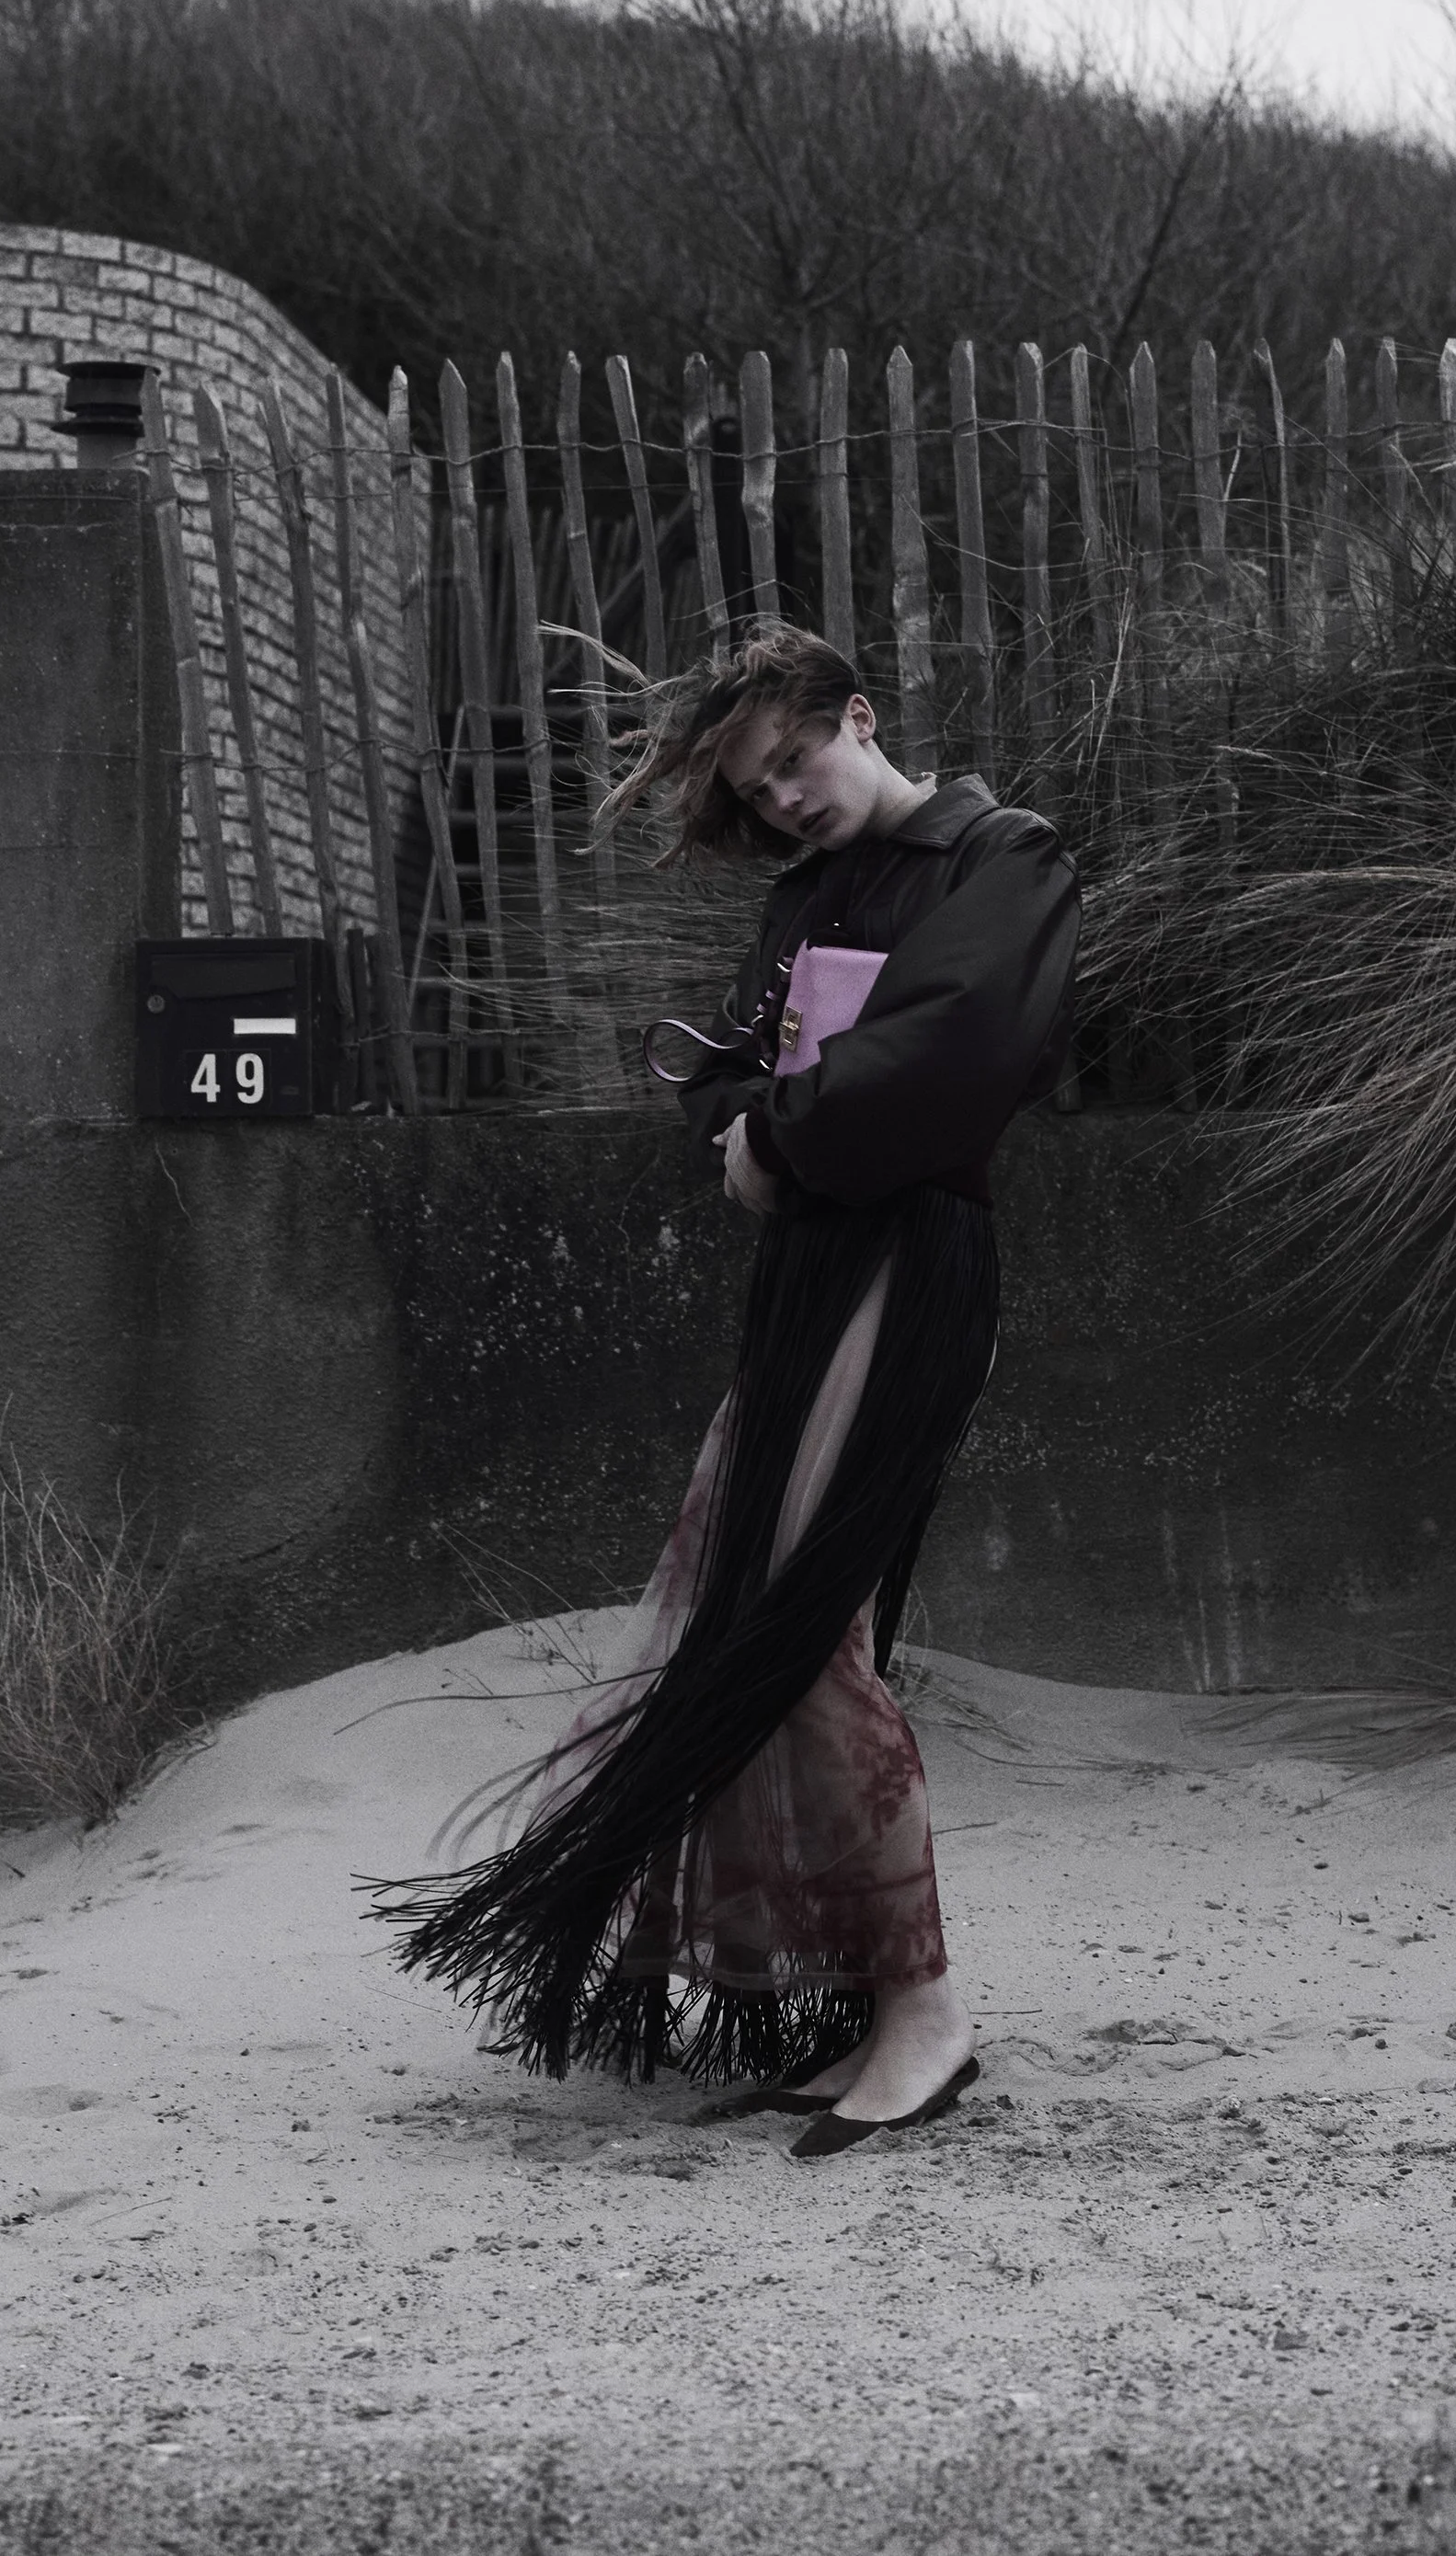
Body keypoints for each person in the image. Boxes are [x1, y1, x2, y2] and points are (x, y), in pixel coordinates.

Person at [373, 623, 1078, 2159]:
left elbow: (960, 1050)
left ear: (861, 718)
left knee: (799, 1637)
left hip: (911, 1265)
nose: (786, 805)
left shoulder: (999, 856)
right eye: (759, 796)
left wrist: (779, 1137)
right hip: (809, 1279)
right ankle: (868, 2006)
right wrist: (758, 1121)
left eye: (793, 766)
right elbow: (739, 1078)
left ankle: (924, 2014)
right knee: (756, 1620)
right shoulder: (807, 895)